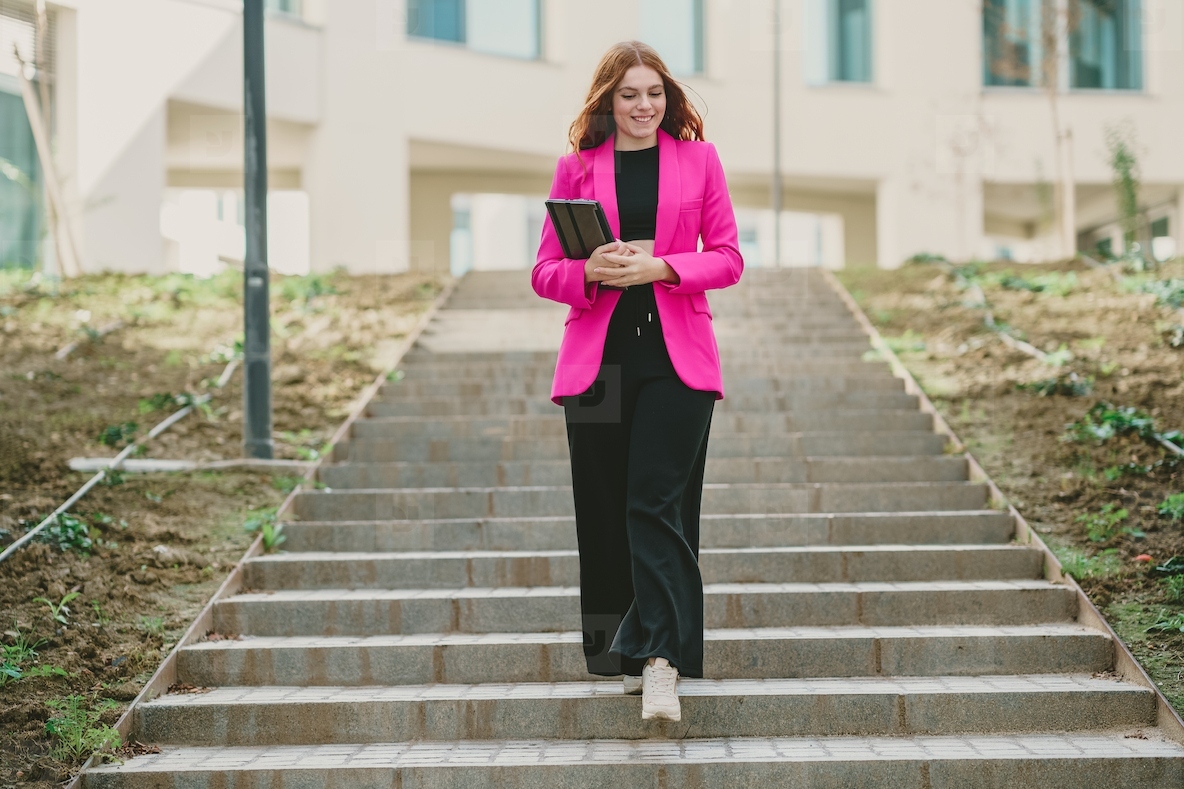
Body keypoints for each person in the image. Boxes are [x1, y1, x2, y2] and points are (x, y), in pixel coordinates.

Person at [532, 41, 743, 723]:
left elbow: (731, 257)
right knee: (604, 510)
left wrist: (663, 268)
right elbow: (544, 272)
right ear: (608, 101)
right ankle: (623, 650)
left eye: (654, 93)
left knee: (655, 503)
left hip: (678, 360)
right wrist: (589, 269)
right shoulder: (577, 168)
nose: (643, 105)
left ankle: (662, 660)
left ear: (669, 98)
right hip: (599, 360)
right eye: (629, 94)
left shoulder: (699, 160)